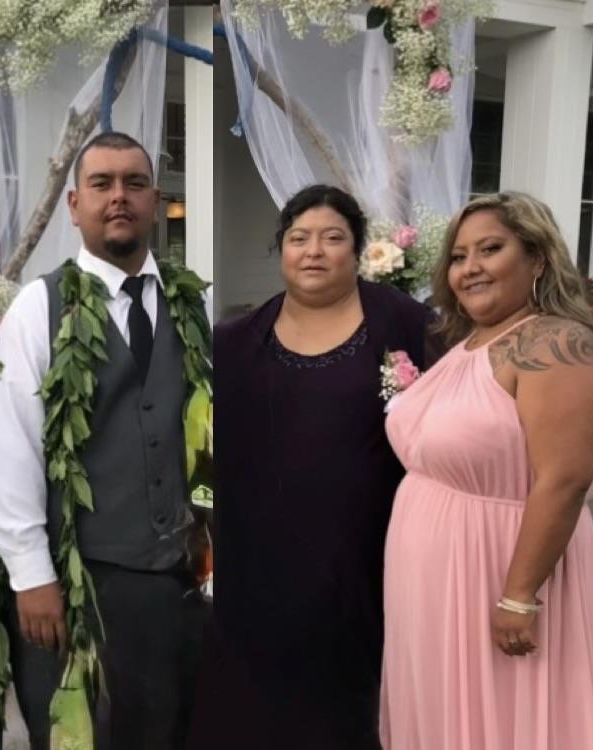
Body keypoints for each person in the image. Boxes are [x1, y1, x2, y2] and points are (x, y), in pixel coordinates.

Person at [187, 184, 439, 749]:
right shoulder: (232, 341)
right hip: (258, 564)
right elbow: (203, 448)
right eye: (299, 238)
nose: (315, 251)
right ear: (281, 251)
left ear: (357, 251)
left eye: (332, 238)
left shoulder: (407, 326)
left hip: (363, 562)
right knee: (254, 705)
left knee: (345, 708)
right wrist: (201, 545)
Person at [0, 131, 211, 749]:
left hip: (179, 582)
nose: (119, 197)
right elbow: (13, 450)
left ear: (157, 201)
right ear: (74, 204)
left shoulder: (191, 308)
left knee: (174, 729)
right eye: (103, 184)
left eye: (134, 184)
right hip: (83, 582)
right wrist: (31, 576)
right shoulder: (39, 308)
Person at [379, 191, 593, 749]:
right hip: (434, 578)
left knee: (504, 720)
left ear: (536, 258)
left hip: (498, 570)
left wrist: (518, 596)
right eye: (459, 256)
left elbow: (564, 480)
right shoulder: (472, 344)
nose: (470, 268)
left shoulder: (557, 344)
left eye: (490, 249)